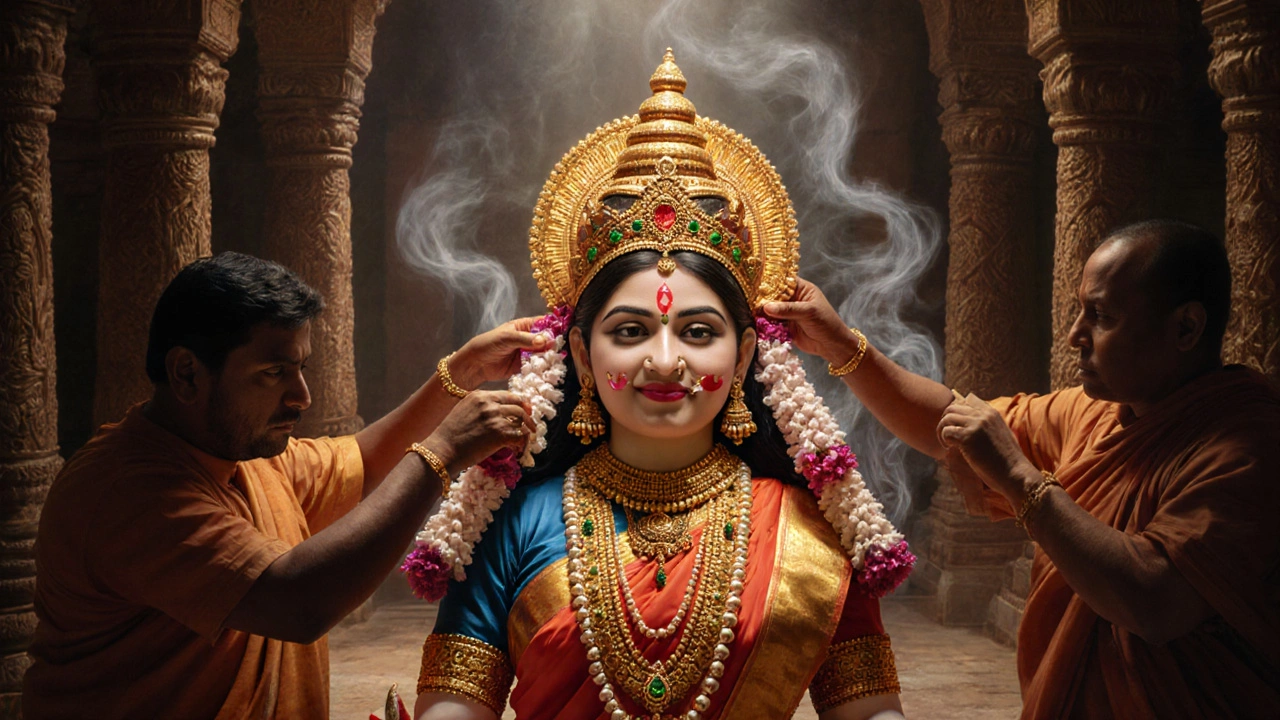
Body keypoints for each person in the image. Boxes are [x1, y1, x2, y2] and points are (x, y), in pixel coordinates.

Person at [408, 51, 907, 720]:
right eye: (631, 331)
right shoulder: (512, 526)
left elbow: (871, 711)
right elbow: (453, 707)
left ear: (746, 353)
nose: (666, 361)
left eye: (698, 333)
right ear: (582, 357)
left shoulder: (810, 528)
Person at [765, 219, 1280, 718]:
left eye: (1101, 316)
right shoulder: (1098, 412)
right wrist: (839, 343)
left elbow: (1154, 602)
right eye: (1080, 312)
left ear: (1186, 327)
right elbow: (947, 423)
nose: (1076, 334)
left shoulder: (1247, 443)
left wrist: (1019, 478)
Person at [23, 252, 548, 719]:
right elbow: (299, 603)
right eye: (273, 372)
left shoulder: (241, 456)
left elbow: (363, 464)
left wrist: (461, 371)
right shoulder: (129, 491)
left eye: (300, 369)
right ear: (186, 374)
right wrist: (444, 452)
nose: (302, 397)